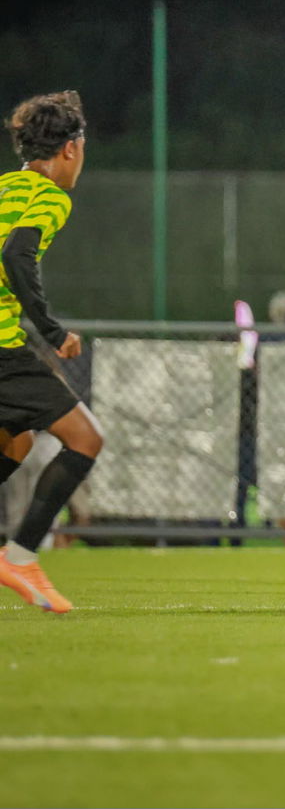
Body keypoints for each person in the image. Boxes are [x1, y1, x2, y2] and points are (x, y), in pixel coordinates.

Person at [0, 91, 105, 614]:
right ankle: (18, 558)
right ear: (70, 149)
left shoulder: (1, 188)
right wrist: (52, 330)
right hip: (0, 349)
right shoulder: (51, 196)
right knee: (85, 437)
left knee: (14, 445)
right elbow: (17, 254)